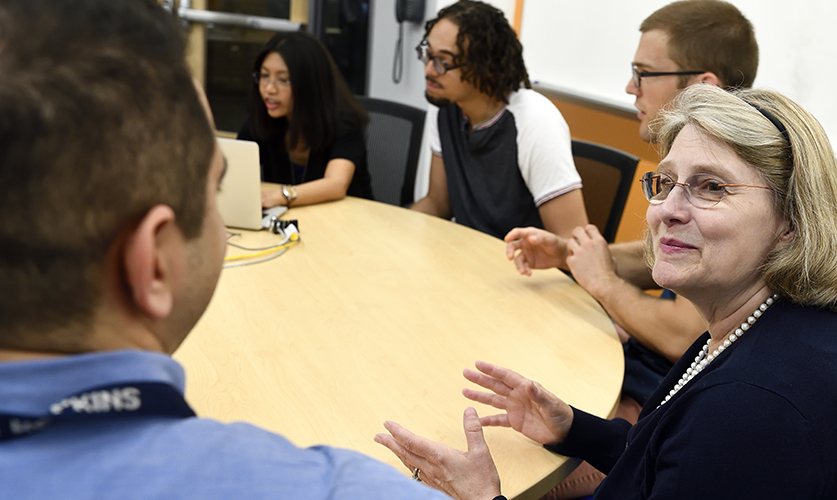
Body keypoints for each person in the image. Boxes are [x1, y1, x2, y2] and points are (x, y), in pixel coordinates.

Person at [0, 1, 446, 498]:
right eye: (215, 190)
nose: (268, 88)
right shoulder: (329, 487)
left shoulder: (340, 124)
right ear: (152, 265)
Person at [377, 85, 837, 499]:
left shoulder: (752, 409)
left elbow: (708, 447)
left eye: (711, 187)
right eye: (666, 181)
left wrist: (484, 496)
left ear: (791, 220)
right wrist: (572, 428)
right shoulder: (772, 324)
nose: (668, 210)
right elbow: (674, 458)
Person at [505, 0, 760, 412]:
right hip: (645, 374)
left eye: (644, 73)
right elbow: (671, 258)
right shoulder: (703, 158)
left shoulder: (735, 181)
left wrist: (603, 283)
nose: (630, 87)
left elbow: (684, 335)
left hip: (668, 403)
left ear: (704, 87)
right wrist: (572, 256)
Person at [409, 0, 589, 240]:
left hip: (522, 268)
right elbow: (438, 203)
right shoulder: (445, 105)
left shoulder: (534, 121)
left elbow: (571, 241)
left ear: (486, 67)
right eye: (427, 54)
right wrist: (394, 233)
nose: (429, 70)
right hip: (465, 254)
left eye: (444, 61)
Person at [238, 32, 374, 208]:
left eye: (283, 80)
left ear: (309, 83)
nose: (269, 89)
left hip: (349, 221)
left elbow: (336, 185)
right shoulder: (263, 119)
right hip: (290, 220)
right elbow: (233, 175)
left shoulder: (344, 122)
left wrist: (281, 196)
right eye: (264, 76)